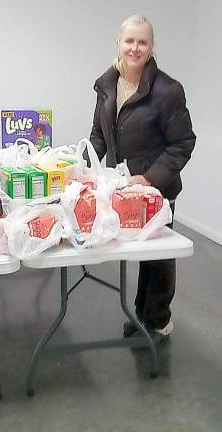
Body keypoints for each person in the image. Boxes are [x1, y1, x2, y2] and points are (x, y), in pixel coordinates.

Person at [87, 14, 196, 340]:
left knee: (158, 257)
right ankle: (140, 315)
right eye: (129, 40)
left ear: (151, 47)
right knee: (138, 254)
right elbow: (98, 136)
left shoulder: (168, 91)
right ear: (118, 43)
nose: (135, 48)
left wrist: (149, 179)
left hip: (157, 190)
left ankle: (158, 320)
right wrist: (80, 166)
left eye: (142, 42)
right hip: (122, 189)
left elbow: (182, 143)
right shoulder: (106, 86)